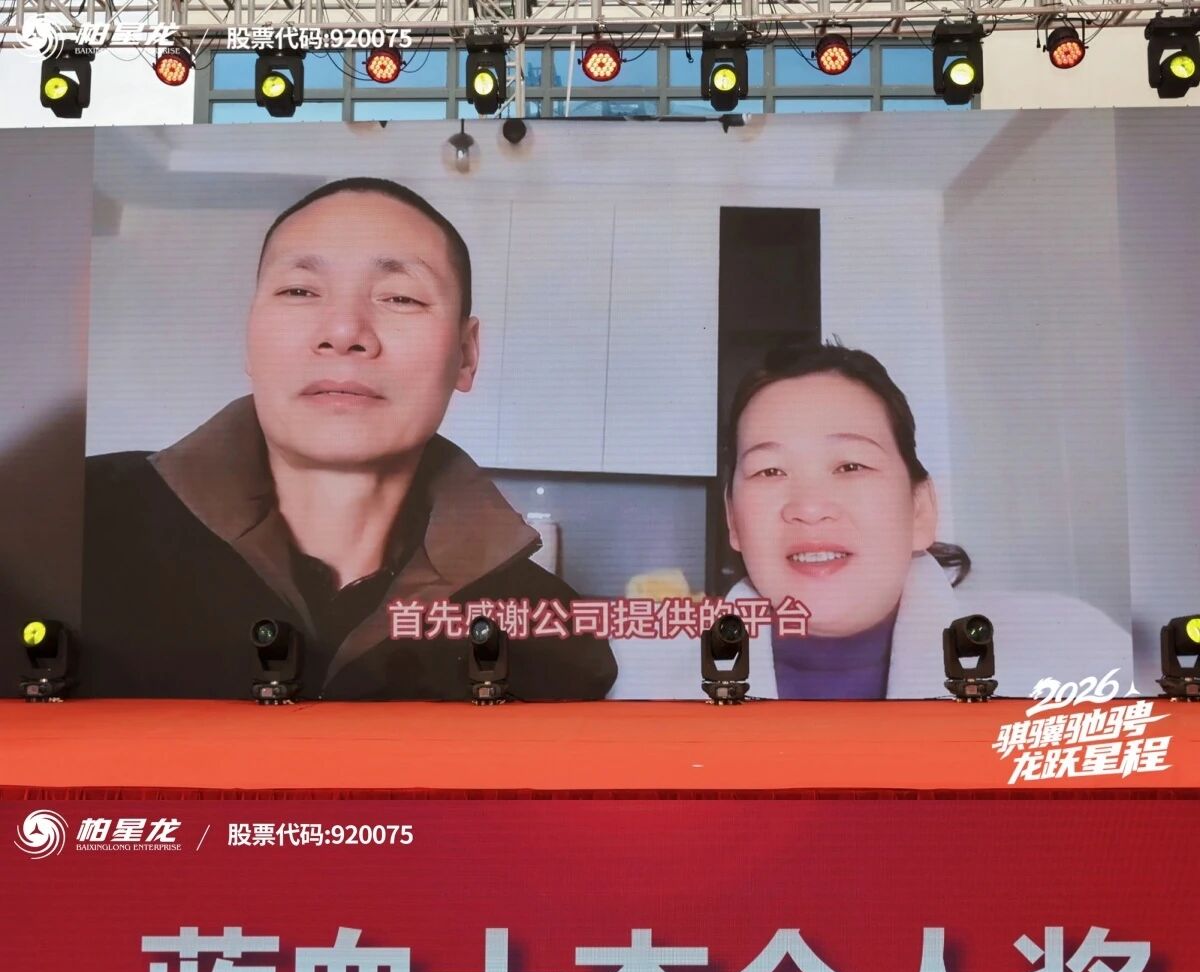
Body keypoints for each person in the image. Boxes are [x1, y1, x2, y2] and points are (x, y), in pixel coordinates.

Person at [83, 177, 616, 701]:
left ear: (466, 354)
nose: (343, 333)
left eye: (400, 298)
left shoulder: (549, 637)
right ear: (249, 337)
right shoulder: (74, 523)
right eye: (299, 291)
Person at [609, 340, 1132, 699]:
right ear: (734, 521)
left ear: (920, 509)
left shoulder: (1075, 651)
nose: (809, 506)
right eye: (770, 470)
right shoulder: (630, 673)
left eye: (850, 466)